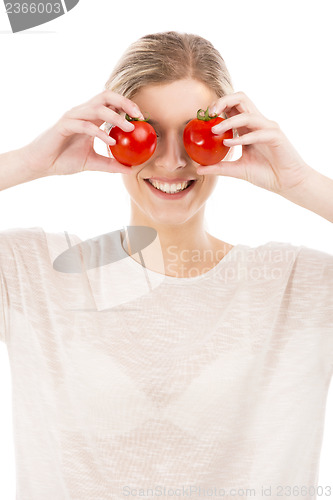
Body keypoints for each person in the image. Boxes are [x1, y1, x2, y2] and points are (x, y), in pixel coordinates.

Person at [0, 30, 332, 500]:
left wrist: (301, 181)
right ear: (111, 137)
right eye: (147, 133)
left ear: (229, 139)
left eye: (195, 136)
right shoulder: (35, 272)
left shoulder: (298, 287)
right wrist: (29, 162)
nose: (172, 161)